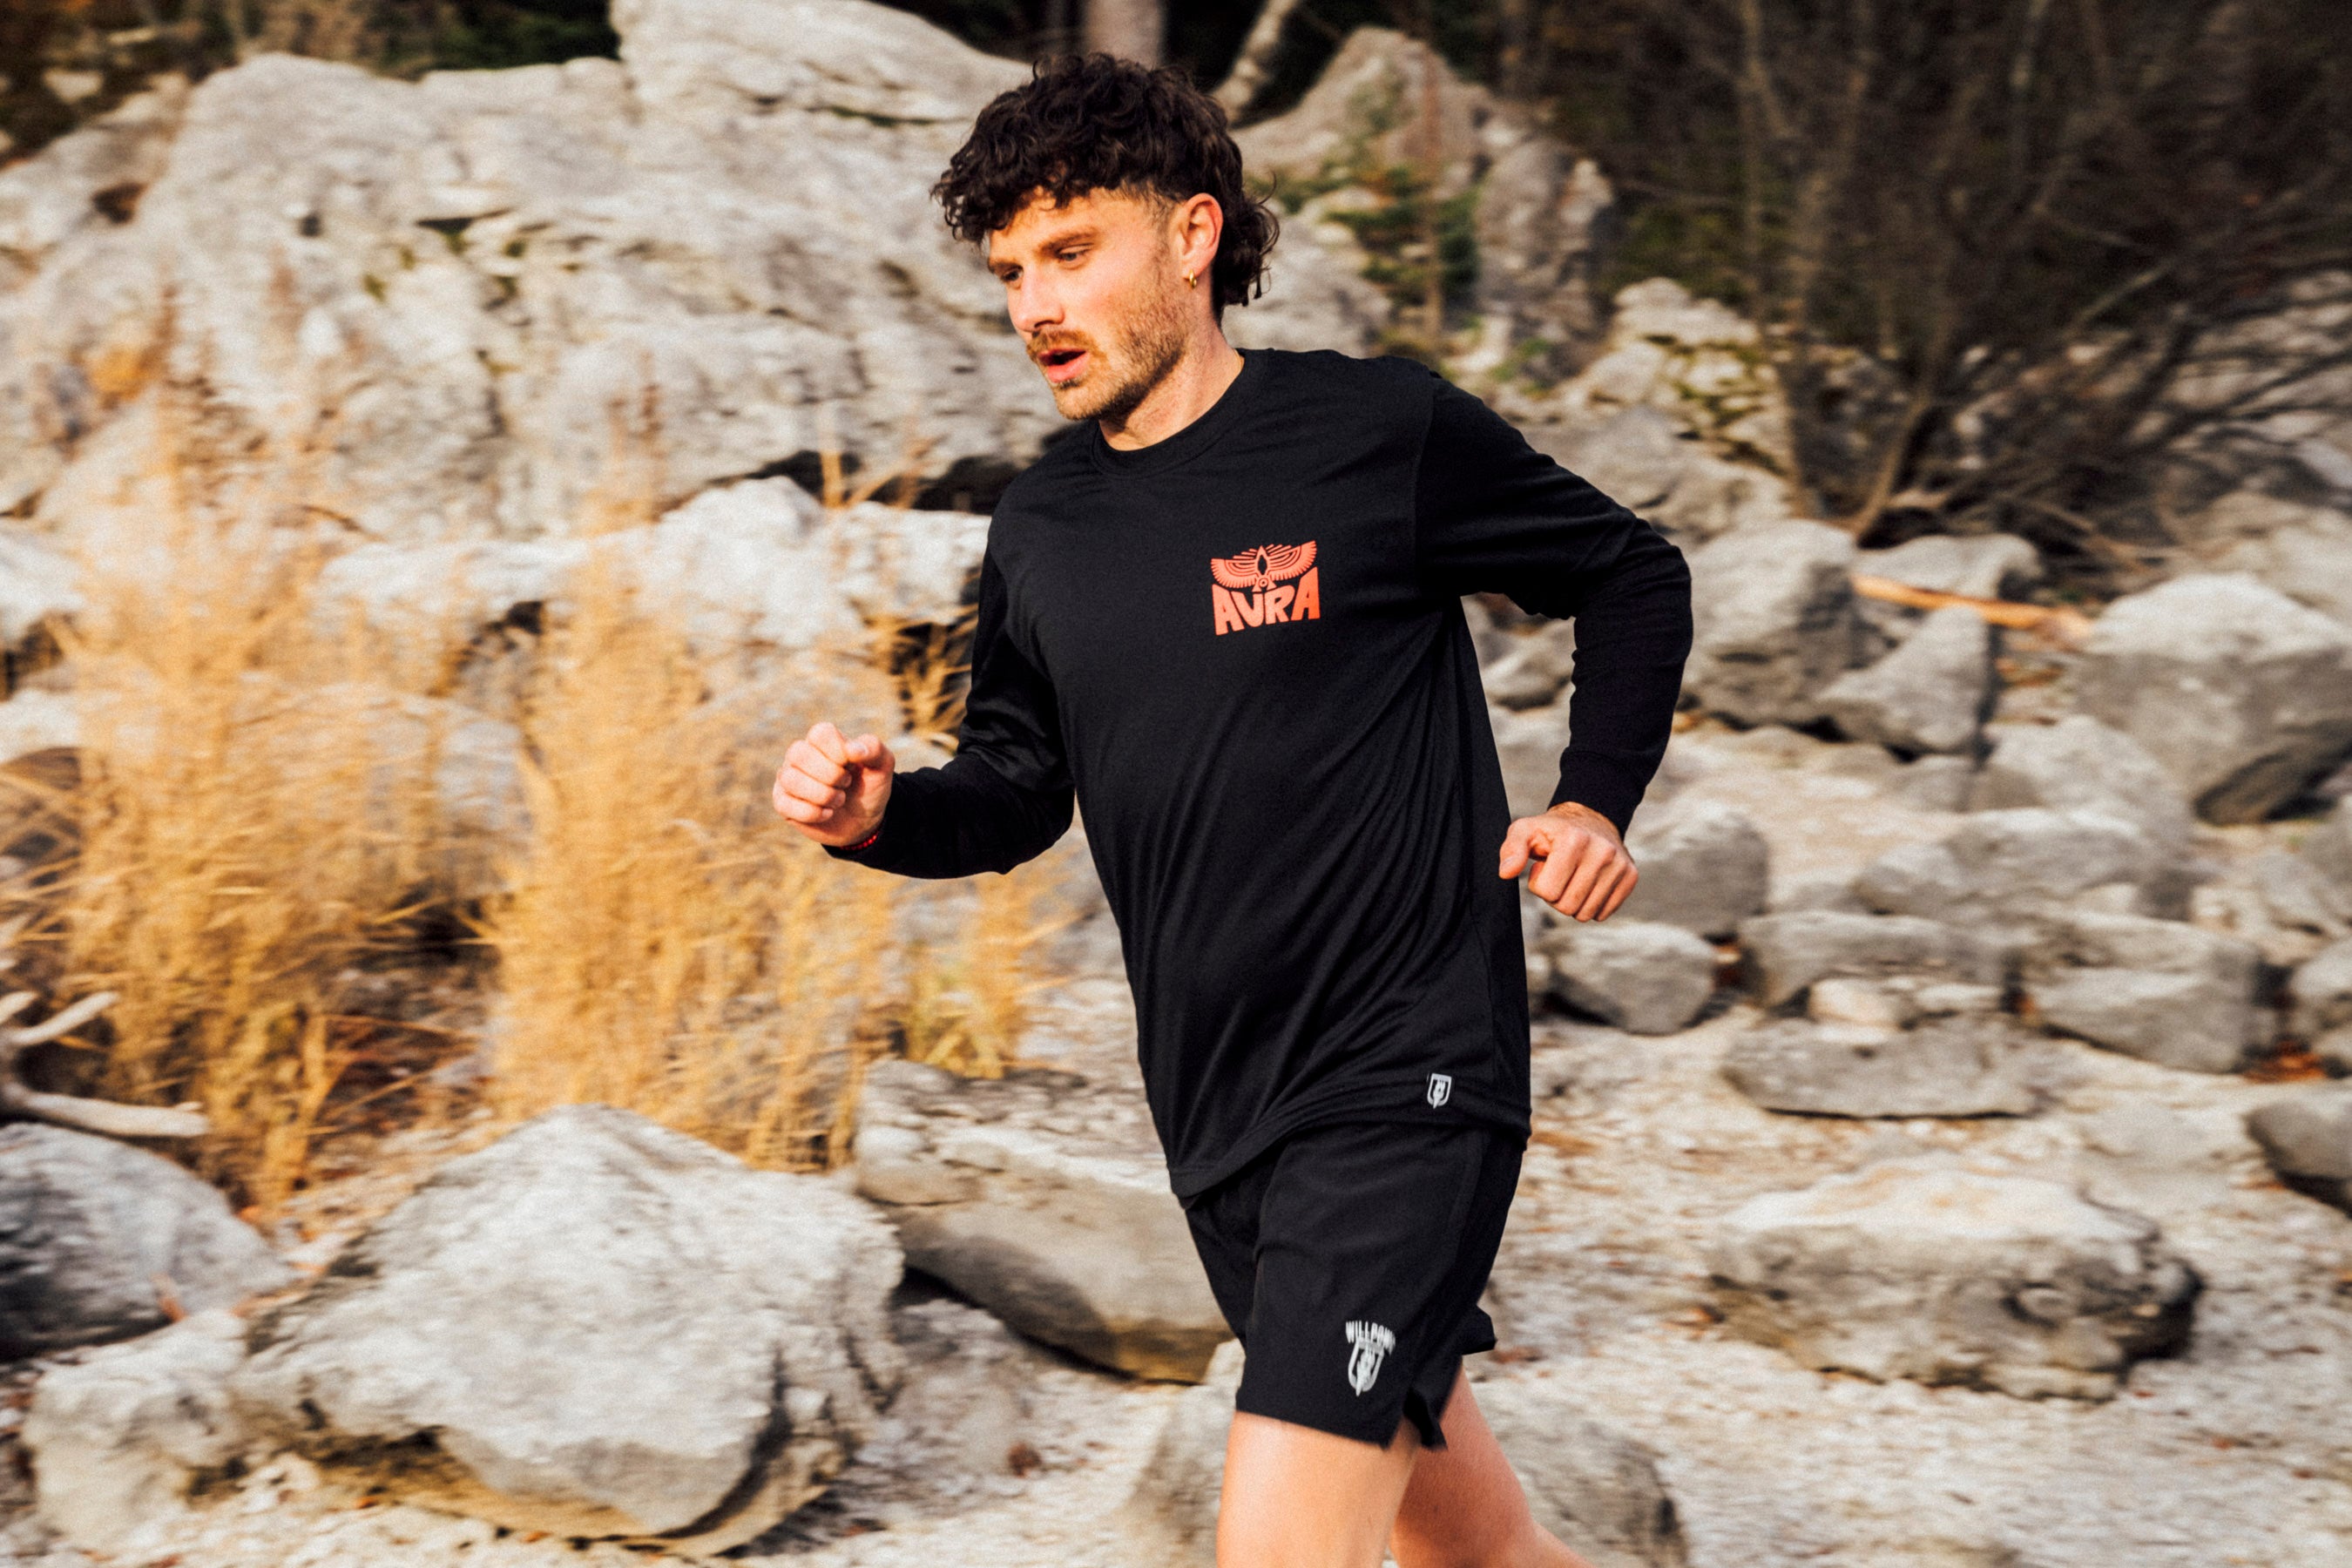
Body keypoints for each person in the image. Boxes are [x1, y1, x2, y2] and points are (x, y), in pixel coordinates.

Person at [772, 53, 1692, 1568]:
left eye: (1073, 253)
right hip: (1217, 1116)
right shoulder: (1041, 524)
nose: (1034, 308)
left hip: (1406, 1083)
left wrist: (1592, 801)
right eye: (1010, 270)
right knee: (1477, 1551)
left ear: (1193, 238)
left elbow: (1630, 570)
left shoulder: (1375, 436)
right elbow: (1012, 794)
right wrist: (879, 818)